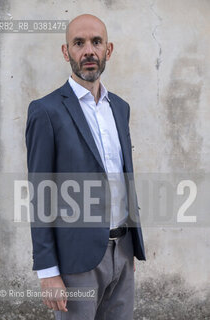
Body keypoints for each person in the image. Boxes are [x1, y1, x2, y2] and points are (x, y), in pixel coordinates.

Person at [25, 13, 145, 320]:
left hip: (123, 252)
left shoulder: (119, 107)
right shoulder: (46, 112)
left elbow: (122, 177)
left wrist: (130, 246)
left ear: (109, 50)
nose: (88, 50)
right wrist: (48, 272)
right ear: (66, 52)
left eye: (96, 42)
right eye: (79, 43)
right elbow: (41, 196)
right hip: (75, 262)